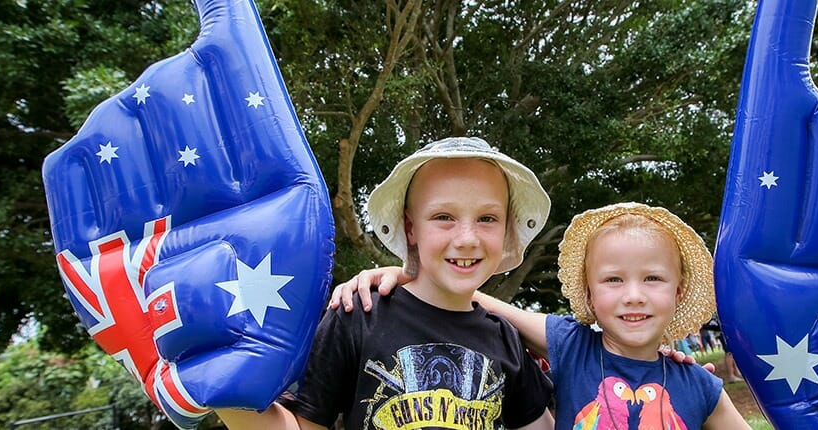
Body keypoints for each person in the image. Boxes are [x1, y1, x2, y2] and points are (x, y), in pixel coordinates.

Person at [217, 137, 556, 429]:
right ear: (411, 228)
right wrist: (216, 382)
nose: (467, 238)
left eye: (487, 218)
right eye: (443, 217)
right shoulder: (358, 315)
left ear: (506, 230)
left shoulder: (506, 339)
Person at [335, 202, 750, 429]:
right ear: (588, 292)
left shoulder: (699, 385)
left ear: (678, 293)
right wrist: (411, 276)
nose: (633, 296)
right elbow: (486, 303)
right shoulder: (572, 345)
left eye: (653, 278)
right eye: (613, 280)